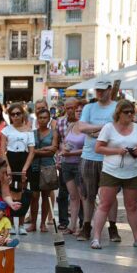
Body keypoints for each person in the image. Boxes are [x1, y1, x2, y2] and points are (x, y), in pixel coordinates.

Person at [90, 100, 137, 250]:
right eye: (126, 112)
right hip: (111, 171)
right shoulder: (108, 128)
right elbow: (98, 148)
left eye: (132, 111)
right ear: (118, 113)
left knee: (132, 206)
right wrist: (116, 151)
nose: (130, 114)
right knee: (105, 204)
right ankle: (96, 238)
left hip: (133, 172)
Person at [77, 81, 120, 242]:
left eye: (102, 90)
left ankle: (113, 227)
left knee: (110, 195)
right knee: (88, 194)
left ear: (110, 90)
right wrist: (104, 128)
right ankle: (86, 226)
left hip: (109, 157)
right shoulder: (89, 107)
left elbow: (118, 128)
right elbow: (81, 127)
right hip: (89, 156)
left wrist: (95, 130)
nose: (99, 93)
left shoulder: (117, 107)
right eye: (97, 90)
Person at [0, 103, 35, 235]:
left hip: (24, 160)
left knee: (22, 193)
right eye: (13, 114)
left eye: (18, 114)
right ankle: (11, 224)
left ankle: (21, 224)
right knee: (9, 193)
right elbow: (2, 150)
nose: (15, 116)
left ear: (22, 115)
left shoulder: (28, 130)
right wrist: (7, 166)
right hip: (10, 160)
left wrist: (25, 168)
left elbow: (32, 151)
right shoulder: (6, 130)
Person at [27, 108, 58, 233]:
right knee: (34, 196)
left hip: (48, 166)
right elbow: (30, 150)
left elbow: (53, 150)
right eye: (40, 117)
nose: (42, 120)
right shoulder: (32, 133)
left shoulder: (53, 133)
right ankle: (33, 223)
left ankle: (43, 224)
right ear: (37, 119)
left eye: (45, 117)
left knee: (46, 196)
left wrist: (37, 151)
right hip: (34, 166)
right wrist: (46, 149)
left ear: (49, 119)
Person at [58, 98, 85, 235]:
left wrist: (70, 152)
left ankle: (84, 226)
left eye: (81, 110)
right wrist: (64, 149)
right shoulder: (70, 126)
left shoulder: (87, 127)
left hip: (80, 164)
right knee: (73, 196)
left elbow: (88, 149)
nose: (78, 112)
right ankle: (72, 226)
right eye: (76, 110)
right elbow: (63, 142)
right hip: (67, 164)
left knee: (83, 196)